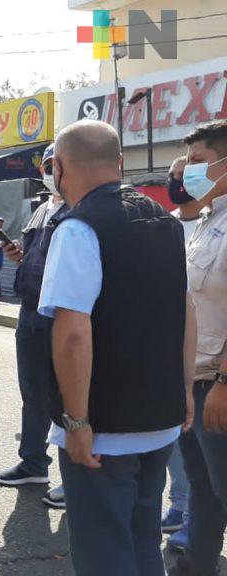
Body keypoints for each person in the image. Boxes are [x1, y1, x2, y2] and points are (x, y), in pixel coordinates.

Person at [39, 119, 195, 576]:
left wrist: (76, 419)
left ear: (59, 168)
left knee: (104, 552)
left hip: (103, 427)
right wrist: (185, 390)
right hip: (159, 419)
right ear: (120, 162)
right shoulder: (166, 222)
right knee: (142, 538)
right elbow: (186, 311)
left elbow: (72, 331)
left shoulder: (79, 228)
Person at [0, 143, 70, 510]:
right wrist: (18, 257)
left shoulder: (80, 210)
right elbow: (36, 258)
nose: (51, 171)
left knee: (67, 395)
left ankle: (75, 478)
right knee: (34, 392)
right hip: (30, 309)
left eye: (58, 164)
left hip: (60, 314)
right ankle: (33, 463)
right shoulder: (42, 209)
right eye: (48, 164)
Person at [174, 120, 227, 575]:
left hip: (219, 385)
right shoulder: (207, 219)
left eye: (197, 161)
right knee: (203, 487)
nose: (187, 171)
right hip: (195, 379)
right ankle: (198, 565)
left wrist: (224, 382)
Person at [163, 154, 194, 543]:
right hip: (175, 346)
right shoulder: (165, 226)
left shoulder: (217, 225)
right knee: (177, 437)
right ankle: (181, 506)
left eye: (186, 174)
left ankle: (197, 520)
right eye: (173, 175)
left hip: (213, 354)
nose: (179, 182)